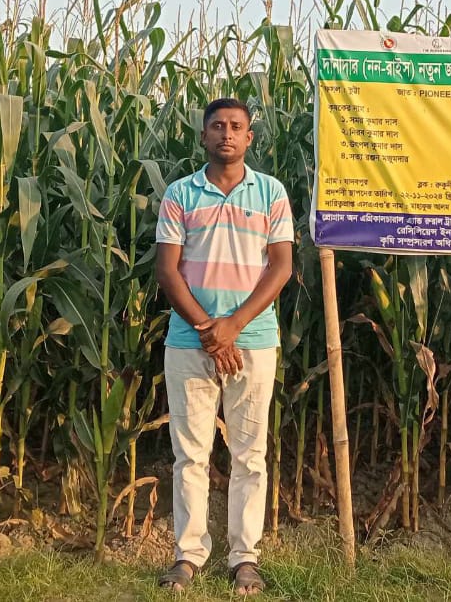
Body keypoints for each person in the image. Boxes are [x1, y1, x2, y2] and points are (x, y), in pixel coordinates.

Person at [154, 97, 294, 595]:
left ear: (250, 137)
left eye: (236, 126)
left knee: (250, 455)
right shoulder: (180, 194)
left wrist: (233, 326)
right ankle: (188, 556)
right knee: (190, 454)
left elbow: (281, 266)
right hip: (189, 342)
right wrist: (209, 331)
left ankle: (244, 558)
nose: (226, 134)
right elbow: (167, 270)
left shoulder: (271, 193)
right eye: (217, 126)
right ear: (203, 136)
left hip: (252, 340)